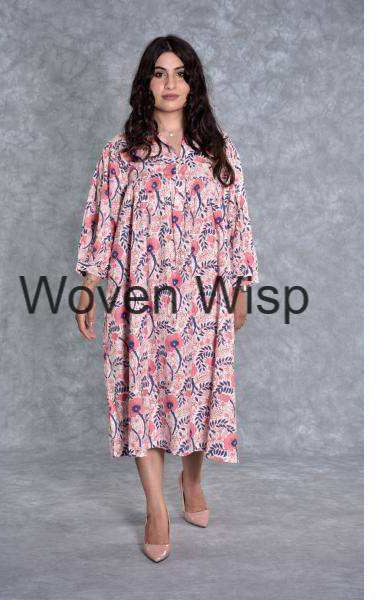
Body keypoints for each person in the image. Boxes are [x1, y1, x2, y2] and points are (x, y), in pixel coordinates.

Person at [74, 35, 259, 562]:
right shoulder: (120, 153)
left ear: (193, 84)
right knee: (144, 395)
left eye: (180, 73)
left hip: (204, 299)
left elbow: (238, 222)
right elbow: (100, 221)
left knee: (197, 394)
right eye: (160, 73)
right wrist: (88, 287)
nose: (171, 83)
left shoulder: (218, 149)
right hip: (139, 300)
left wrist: (242, 287)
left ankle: (191, 479)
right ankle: (155, 506)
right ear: (147, 84)